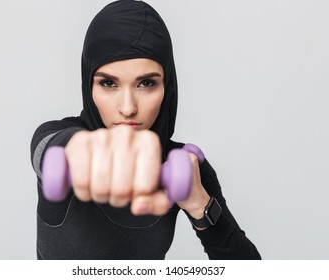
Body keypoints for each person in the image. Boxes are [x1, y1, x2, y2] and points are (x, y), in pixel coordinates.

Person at [30, 0, 261, 260]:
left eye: (146, 83)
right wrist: (78, 151)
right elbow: (49, 151)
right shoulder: (57, 137)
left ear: (168, 88)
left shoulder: (185, 165)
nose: (128, 108)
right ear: (89, 86)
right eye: (108, 83)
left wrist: (200, 205)